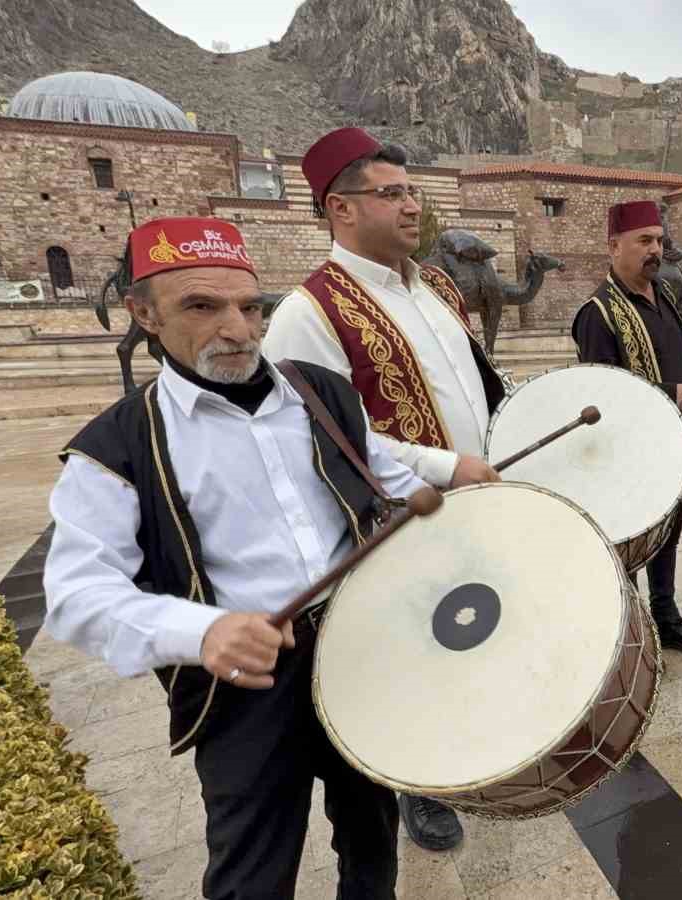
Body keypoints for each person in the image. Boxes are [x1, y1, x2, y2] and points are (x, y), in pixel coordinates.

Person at [43, 218, 424, 899]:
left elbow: (387, 473)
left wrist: (461, 488)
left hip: (355, 649)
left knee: (372, 830)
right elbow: (76, 595)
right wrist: (204, 632)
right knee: (251, 869)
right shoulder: (116, 446)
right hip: (241, 685)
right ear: (144, 314)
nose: (240, 330)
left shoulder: (322, 393)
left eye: (251, 307)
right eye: (201, 306)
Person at [262, 125, 504, 852]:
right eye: (392, 193)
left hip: (476, 497)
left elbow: (473, 384)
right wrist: (442, 466)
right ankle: (415, 785)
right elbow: (326, 435)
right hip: (394, 518)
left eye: (413, 192)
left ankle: (469, 744)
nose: (412, 208)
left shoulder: (434, 285)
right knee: (412, 647)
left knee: (468, 628)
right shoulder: (308, 313)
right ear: (340, 209)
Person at [573, 200, 682, 655]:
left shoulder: (666, 299)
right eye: (644, 241)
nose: (655, 250)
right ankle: (630, 629)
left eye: (658, 240)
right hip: (625, 452)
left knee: (669, 533)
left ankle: (667, 617)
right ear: (614, 246)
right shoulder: (597, 313)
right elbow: (603, 391)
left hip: (669, 444)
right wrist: (673, 392)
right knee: (632, 540)